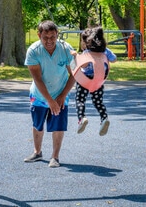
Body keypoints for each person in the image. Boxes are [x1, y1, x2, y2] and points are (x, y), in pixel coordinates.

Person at [23, 20, 75, 168]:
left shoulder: (66, 49)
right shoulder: (33, 51)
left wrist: (62, 96)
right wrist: (50, 100)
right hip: (39, 95)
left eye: (53, 37)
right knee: (38, 125)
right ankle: (37, 152)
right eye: (45, 37)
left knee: (58, 126)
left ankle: (55, 157)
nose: (49, 41)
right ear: (39, 35)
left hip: (60, 94)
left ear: (57, 35)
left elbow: (74, 74)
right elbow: (37, 79)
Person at [72, 26, 117, 136]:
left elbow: (84, 64)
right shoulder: (105, 51)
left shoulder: (86, 53)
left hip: (85, 81)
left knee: (80, 100)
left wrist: (75, 56)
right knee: (98, 102)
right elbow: (114, 59)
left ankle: (82, 118)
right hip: (99, 81)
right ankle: (104, 118)